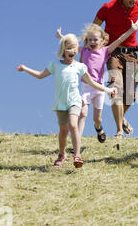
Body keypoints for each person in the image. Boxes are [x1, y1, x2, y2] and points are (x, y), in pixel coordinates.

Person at [17, 34, 116, 168]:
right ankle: (62, 154)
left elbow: (92, 83)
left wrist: (108, 90)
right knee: (63, 131)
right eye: (69, 48)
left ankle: (77, 155)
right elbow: (40, 75)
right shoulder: (55, 65)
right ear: (63, 49)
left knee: (73, 125)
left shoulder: (80, 67)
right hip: (60, 103)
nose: (73, 51)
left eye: (75, 48)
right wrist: (24, 68)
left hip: (74, 101)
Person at [56, 19, 138, 143]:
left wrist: (132, 30)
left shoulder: (104, 51)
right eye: (89, 39)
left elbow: (119, 40)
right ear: (86, 41)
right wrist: (61, 37)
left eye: (95, 39)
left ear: (102, 40)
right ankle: (77, 142)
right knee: (83, 114)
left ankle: (98, 128)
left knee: (97, 119)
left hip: (99, 90)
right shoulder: (85, 50)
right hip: (86, 88)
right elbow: (71, 45)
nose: (92, 42)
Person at [93, 0, 138, 138]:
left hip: (131, 55)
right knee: (116, 88)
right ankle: (119, 131)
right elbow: (94, 27)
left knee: (130, 96)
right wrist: (97, 47)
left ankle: (121, 119)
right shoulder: (108, 7)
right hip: (113, 53)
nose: (134, 0)